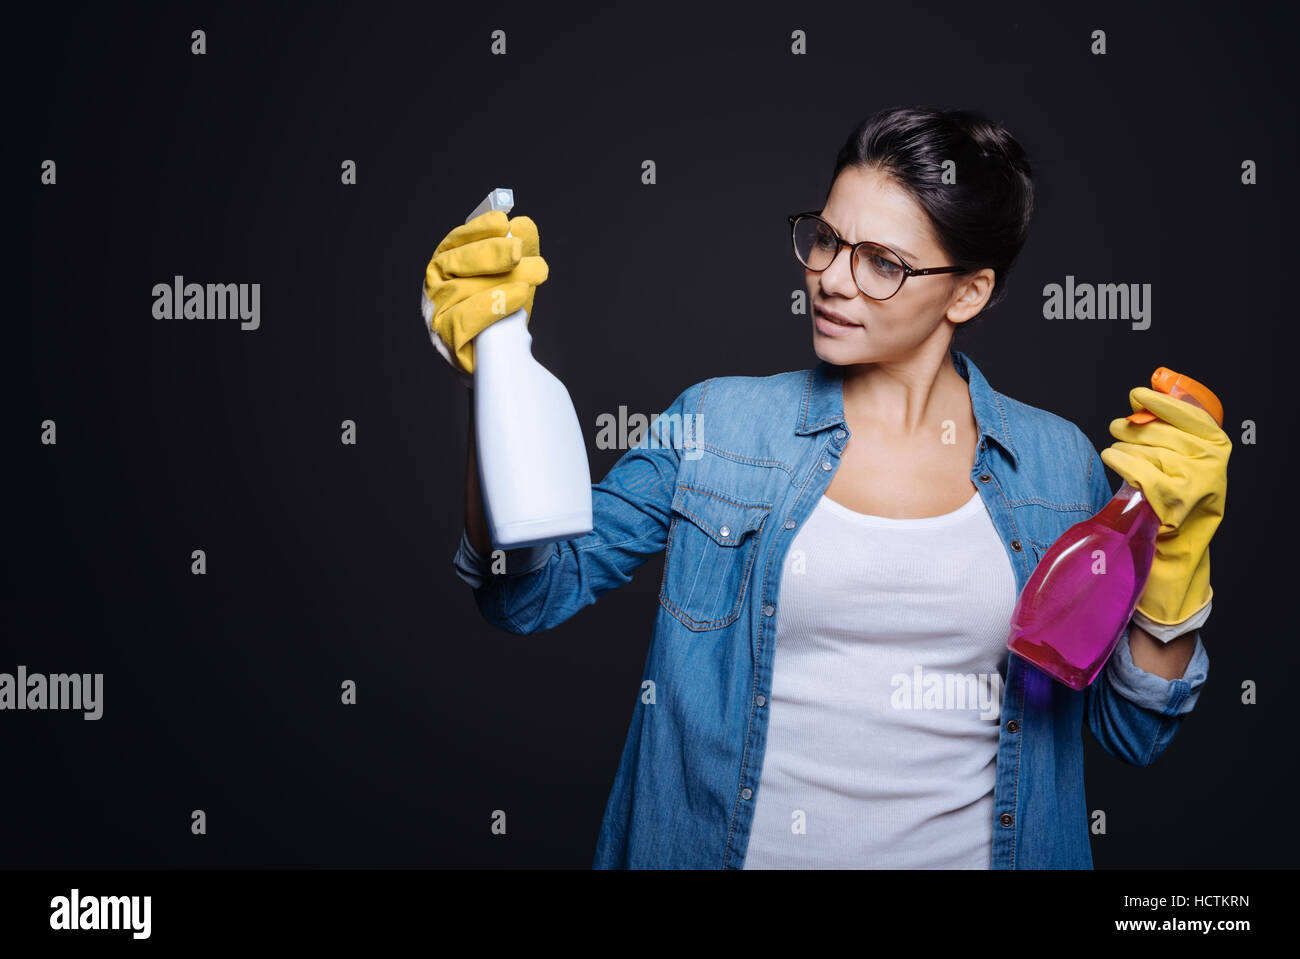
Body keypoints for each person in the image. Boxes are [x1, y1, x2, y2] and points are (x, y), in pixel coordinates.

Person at [422, 106, 1230, 869]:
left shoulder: (1060, 468)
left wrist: (1177, 565)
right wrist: (491, 376)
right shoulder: (718, 424)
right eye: (827, 240)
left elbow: (1133, 731)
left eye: (883, 262)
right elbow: (524, 593)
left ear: (969, 291)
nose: (833, 280)